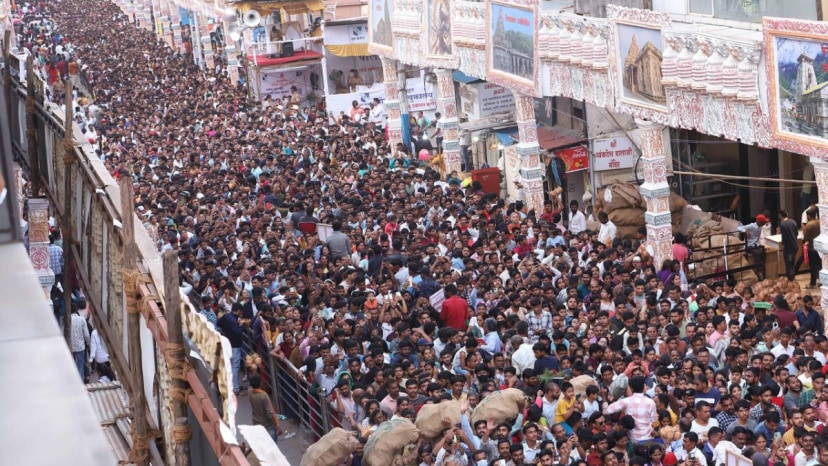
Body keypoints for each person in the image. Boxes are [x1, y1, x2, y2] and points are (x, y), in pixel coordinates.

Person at [217, 302, 249, 395]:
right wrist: (242, 324)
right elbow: (237, 332)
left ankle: (233, 385)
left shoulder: (226, 316)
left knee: (229, 366)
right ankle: (235, 388)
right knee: (235, 367)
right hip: (234, 345)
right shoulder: (233, 320)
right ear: (238, 311)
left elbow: (219, 323)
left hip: (227, 344)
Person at [249, 374, 283, 442]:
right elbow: (269, 413)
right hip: (267, 426)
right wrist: (276, 425)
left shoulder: (250, 393)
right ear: (261, 383)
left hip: (256, 424)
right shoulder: (263, 395)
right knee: (272, 448)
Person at [802, 209, 821, 289]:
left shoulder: (809, 225)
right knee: (821, 265)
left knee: (813, 266)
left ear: (809, 216)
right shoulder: (820, 222)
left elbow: (806, 238)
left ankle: (812, 283)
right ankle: (822, 282)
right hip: (820, 247)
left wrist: (804, 241)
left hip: (812, 248)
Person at [779, 210, 800, 280]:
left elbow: (784, 237)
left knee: (788, 263)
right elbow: (796, 233)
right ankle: (793, 276)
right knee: (792, 261)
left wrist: (782, 246)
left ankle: (790, 279)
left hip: (788, 246)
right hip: (795, 245)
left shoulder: (783, 224)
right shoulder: (793, 221)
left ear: (780, 216)